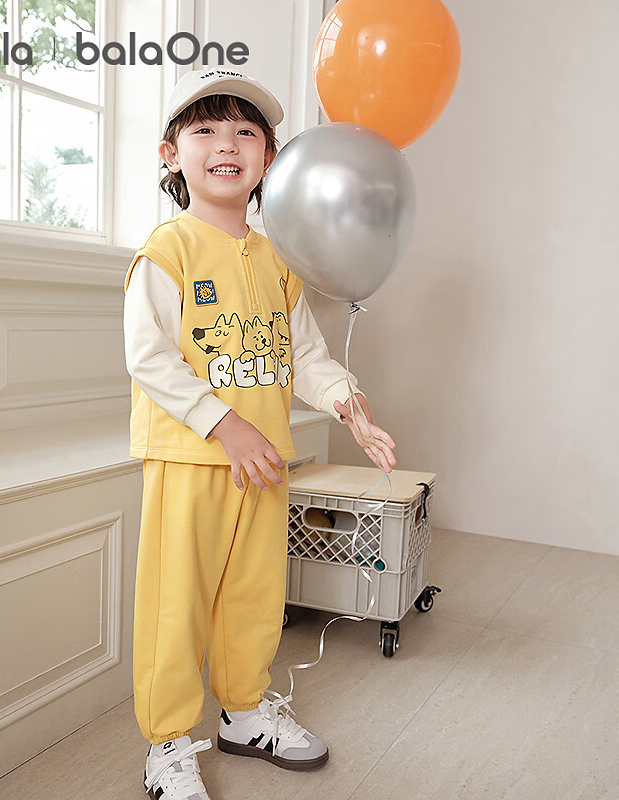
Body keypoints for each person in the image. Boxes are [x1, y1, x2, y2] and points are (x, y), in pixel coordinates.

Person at [123, 67, 397, 800]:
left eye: (246, 131)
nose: (227, 144)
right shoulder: (168, 250)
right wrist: (225, 425)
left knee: (254, 596)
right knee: (177, 605)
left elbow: (302, 354)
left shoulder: (279, 262)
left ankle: (243, 713)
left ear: (269, 160)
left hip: (265, 462)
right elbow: (149, 358)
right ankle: (166, 744)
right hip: (190, 462)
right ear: (170, 153)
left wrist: (346, 402)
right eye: (205, 130)